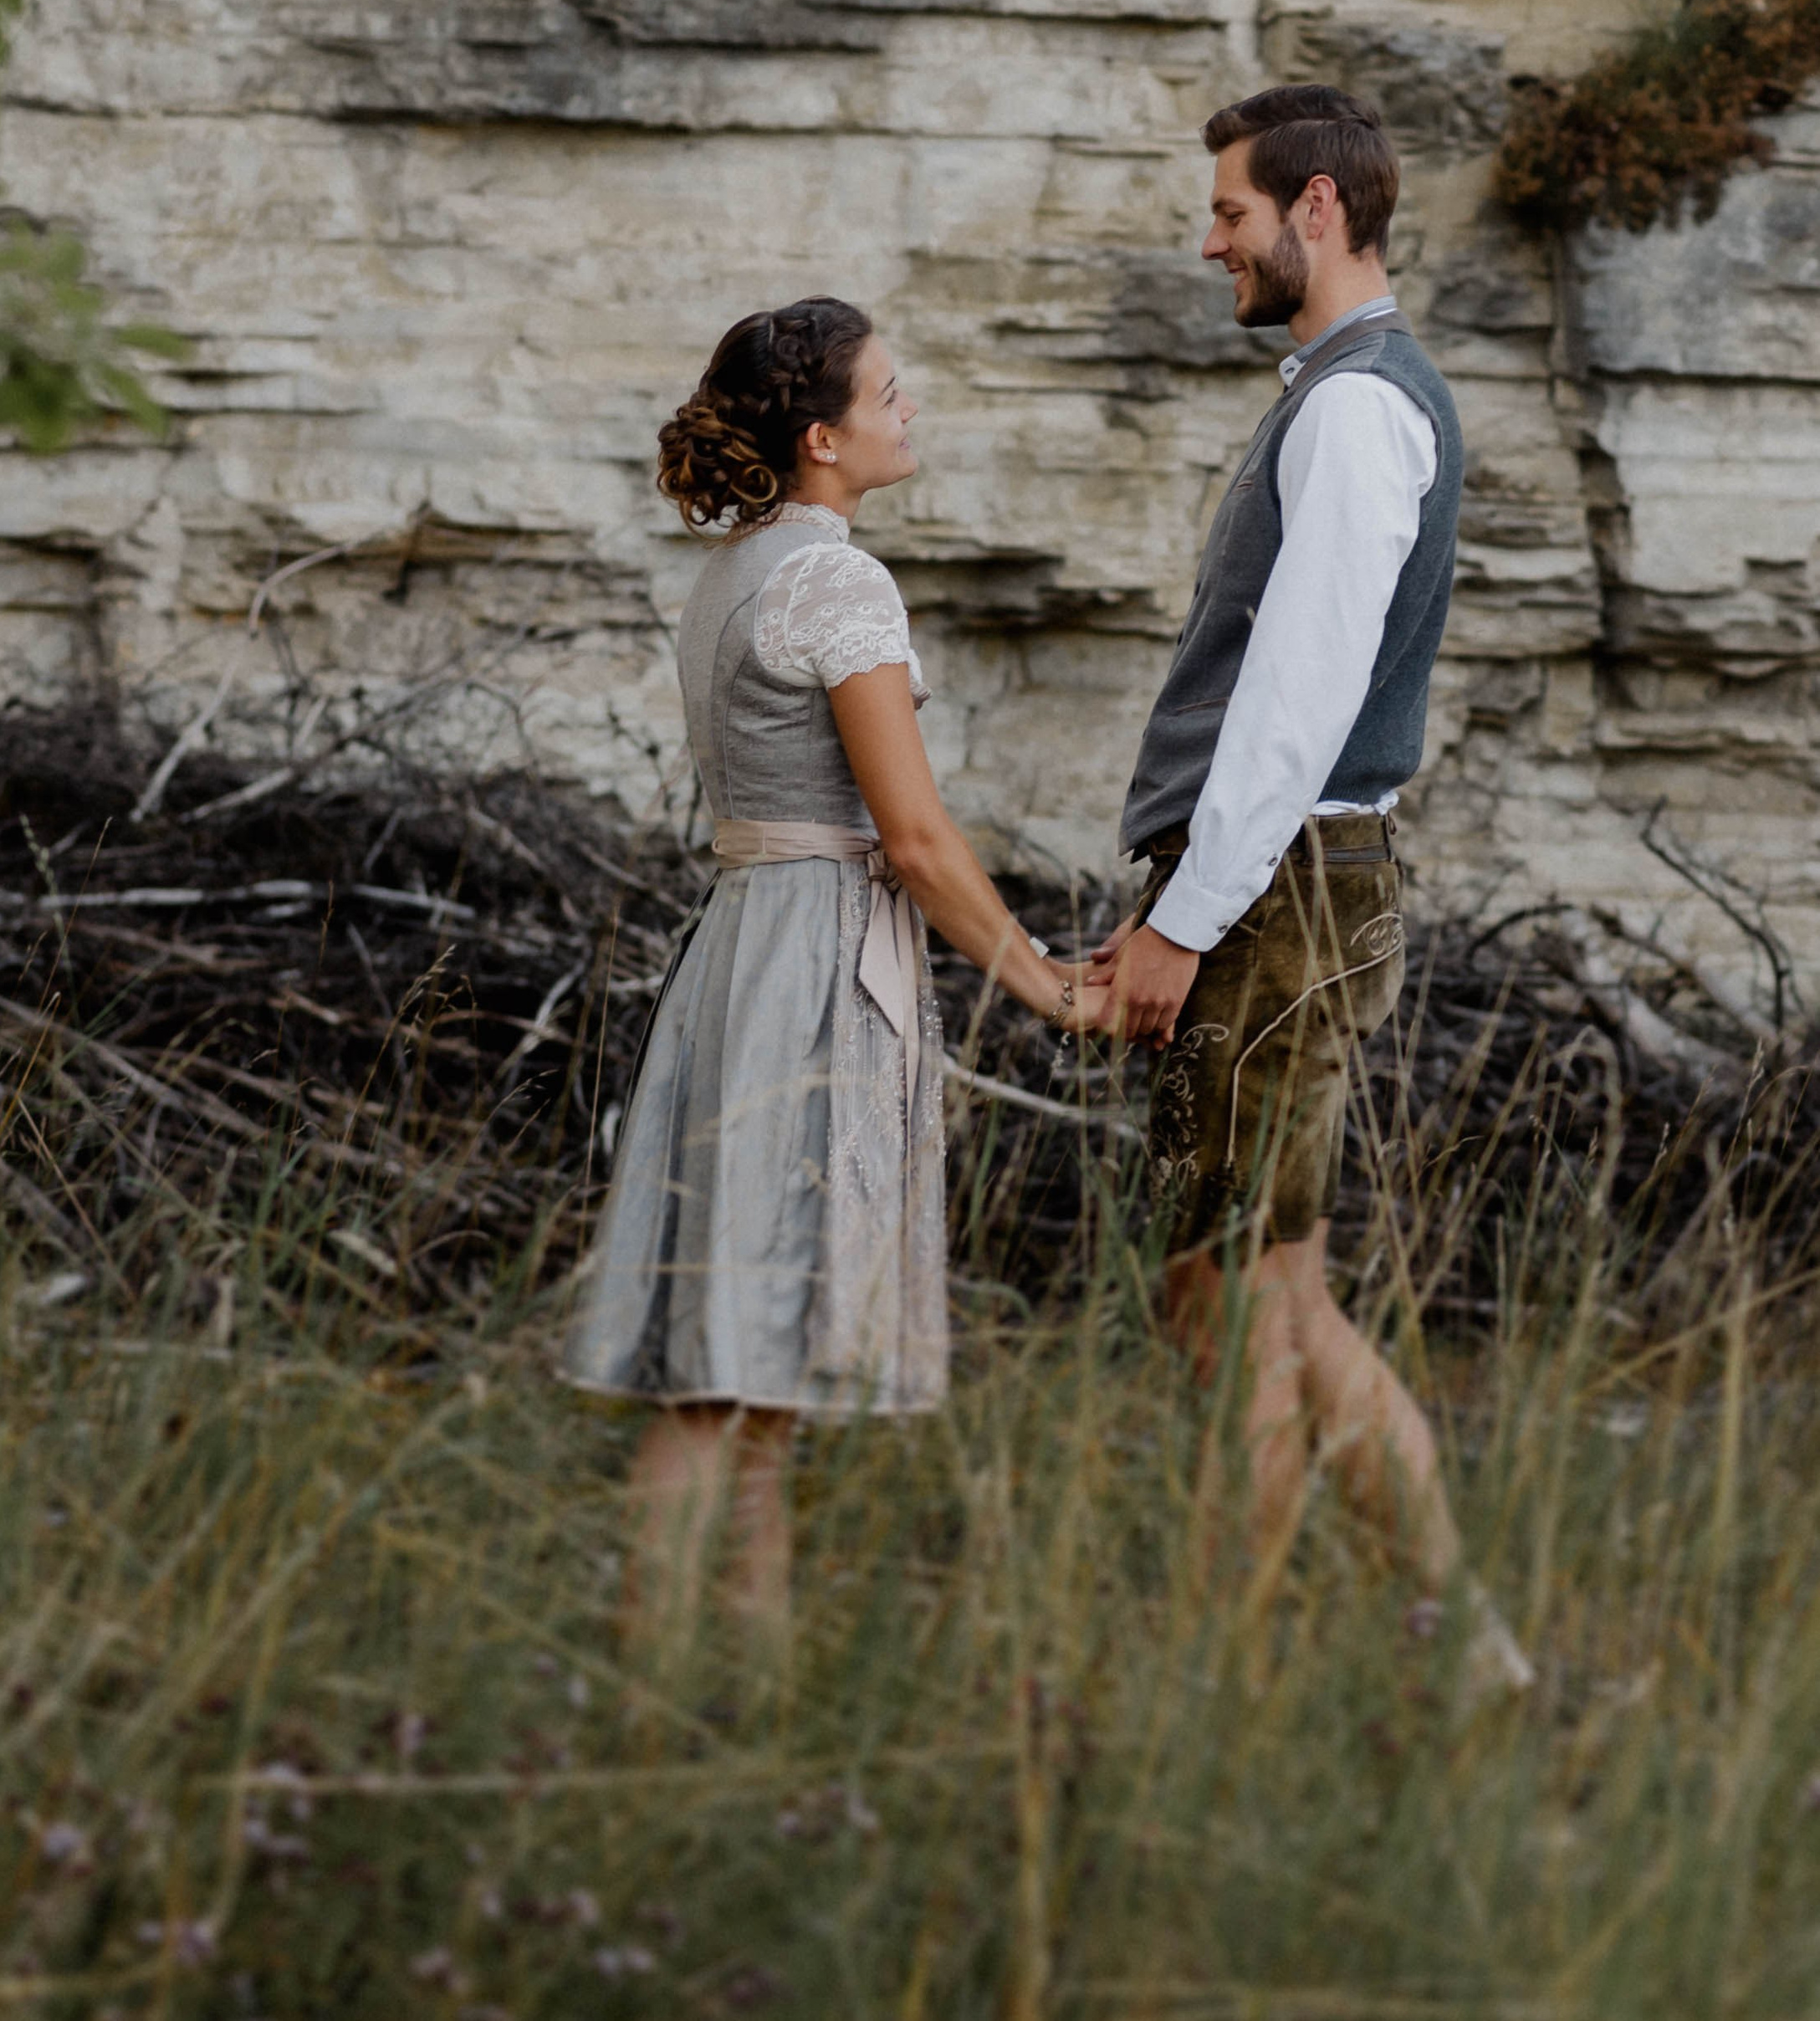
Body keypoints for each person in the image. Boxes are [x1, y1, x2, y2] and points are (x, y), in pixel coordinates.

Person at [564, 296, 1115, 1654]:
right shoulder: (835, 580)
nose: (907, 410)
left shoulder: (734, 575)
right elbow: (916, 839)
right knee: (725, 1379)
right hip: (810, 959)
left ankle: (743, 1694)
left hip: (740, 948)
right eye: (889, 393)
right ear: (823, 438)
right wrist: (1045, 986)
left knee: (754, 1380)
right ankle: (644, 1696)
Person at [1092, 84, 1531, 1693]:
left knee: (1241, 1303)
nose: (1212, 240)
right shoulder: (1341, 392)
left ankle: (1229, 1676)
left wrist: (1183, 924)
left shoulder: (1355, 410)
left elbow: (1297, 704)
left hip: (1285, 893)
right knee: (1242, 1286)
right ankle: (1463, 1646)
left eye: (1231, 212)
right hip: (1284, 888)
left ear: (1319, 211)